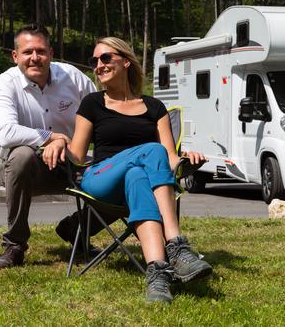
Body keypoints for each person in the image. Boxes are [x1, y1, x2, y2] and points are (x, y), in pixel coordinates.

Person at [43, 37, 213, 303]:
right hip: (101, 179)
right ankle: (177, 245)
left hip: (138, 184)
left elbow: (169, 157)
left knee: (138, 174)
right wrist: (58, 140)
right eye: (94, 61)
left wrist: (186, 162)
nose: (98, 65)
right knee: (151, 150)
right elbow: (76, 155)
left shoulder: (155, 107)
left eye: (105, 58)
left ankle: (157, 275)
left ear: (125, 61)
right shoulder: (92, 103)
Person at [0, 23, 99, 269]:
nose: (35, 58)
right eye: (28, 52)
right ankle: (15, 245)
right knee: (21, 156)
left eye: (40, 51)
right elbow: (5, 133)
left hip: (71, 161)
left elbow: (98, 115)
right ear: (15, 56)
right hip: (27, 169)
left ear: (50, 53)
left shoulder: (73, 78)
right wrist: (52, 137)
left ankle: (75, 228)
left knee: (114, 172)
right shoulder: (5, 82)